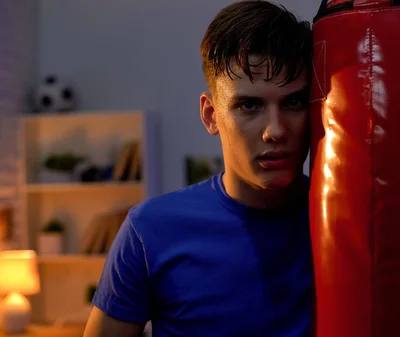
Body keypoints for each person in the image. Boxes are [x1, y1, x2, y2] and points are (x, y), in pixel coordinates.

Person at [82, 1, 314, 336]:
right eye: (249, 105)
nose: (275, 130)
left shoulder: (346, 221)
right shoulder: (149, 231)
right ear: (210, 115)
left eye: (293, 102)